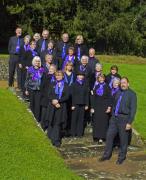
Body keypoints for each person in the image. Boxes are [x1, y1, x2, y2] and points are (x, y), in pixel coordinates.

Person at [99, 77, 137, 165]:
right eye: (121, 83)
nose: (122, 84)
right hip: (114, 118)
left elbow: (133, 110)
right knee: (109, 136)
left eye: (124, 83)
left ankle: (121, 157)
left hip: (124, 119)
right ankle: (106, 155)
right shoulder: (118, 92)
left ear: (128, 84)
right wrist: (112, 115)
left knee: (123, 139)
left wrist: (129, 122)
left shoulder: (132, 94)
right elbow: (113, 103)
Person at [46, 71, 69, 147]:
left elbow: (67, 96)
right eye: (57, 75)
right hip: (52, 106)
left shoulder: (66, 85)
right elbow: (49, 94)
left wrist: (58, 101)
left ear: (63, 76)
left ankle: (56, 140)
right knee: (51, 121)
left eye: (60, 75)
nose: (58, 77)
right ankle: (50, 137)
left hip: (61, 107)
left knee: (57, 123)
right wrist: (54, 101)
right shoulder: (52, 84)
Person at [90, 74, 112, 144]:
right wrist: (92, 107)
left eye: (102, 78)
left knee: (103, 122)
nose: (101, 79)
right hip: (97, 106)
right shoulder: (96, 86)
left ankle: (101, 138)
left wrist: (109, 107)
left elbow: (109, 98)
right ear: (98, 79)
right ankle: (96, 136)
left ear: (104, 79)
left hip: (104, 106)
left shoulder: (107, 87)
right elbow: (93, 97)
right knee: (96, 122)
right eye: (100, 78)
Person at [25, 56, 44, 121]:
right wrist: (26, 89)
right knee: (32, 104)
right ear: (33, 61)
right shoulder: (29, 69)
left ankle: (37, 119)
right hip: (31, 89)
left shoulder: (42, 70)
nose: (37, 62)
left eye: (38, 61)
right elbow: (27, 79)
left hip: (39, 90)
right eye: (36, 61)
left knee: (38, 105)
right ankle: (31, 119)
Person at [71, 71, 89, 137]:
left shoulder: (85, 84)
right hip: (75, 104)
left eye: (82, 75)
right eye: (79, 75)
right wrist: (72, 105)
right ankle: (73, 133)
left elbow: (87, 95)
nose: (80, 76)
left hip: (83, 104)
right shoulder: (74, 84)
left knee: (81, 119)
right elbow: (72, 95)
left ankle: (79, 133)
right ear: (77, 76)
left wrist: (87, 104)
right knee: (74, 119)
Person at [40, 64, 57, 131]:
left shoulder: (56, 78)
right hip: (45, 97)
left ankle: (49, 126)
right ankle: (43, 126)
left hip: (52, 98)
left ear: (55, 70)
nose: (51, 70)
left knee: (50, 113)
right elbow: (42, 86)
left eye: (53, 69)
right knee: (44, 113)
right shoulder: (45, 76)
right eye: (50, 68)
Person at [63, 62, 76, 136]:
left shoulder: (74, 75)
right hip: (64, 95)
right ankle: (64, 129)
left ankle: (69, 129)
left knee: (70, 113)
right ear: (66, 66)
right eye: (68, 65)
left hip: (72, 95)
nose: (69, 67)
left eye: (71, 66)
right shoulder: (63, 74)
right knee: (64, 113)